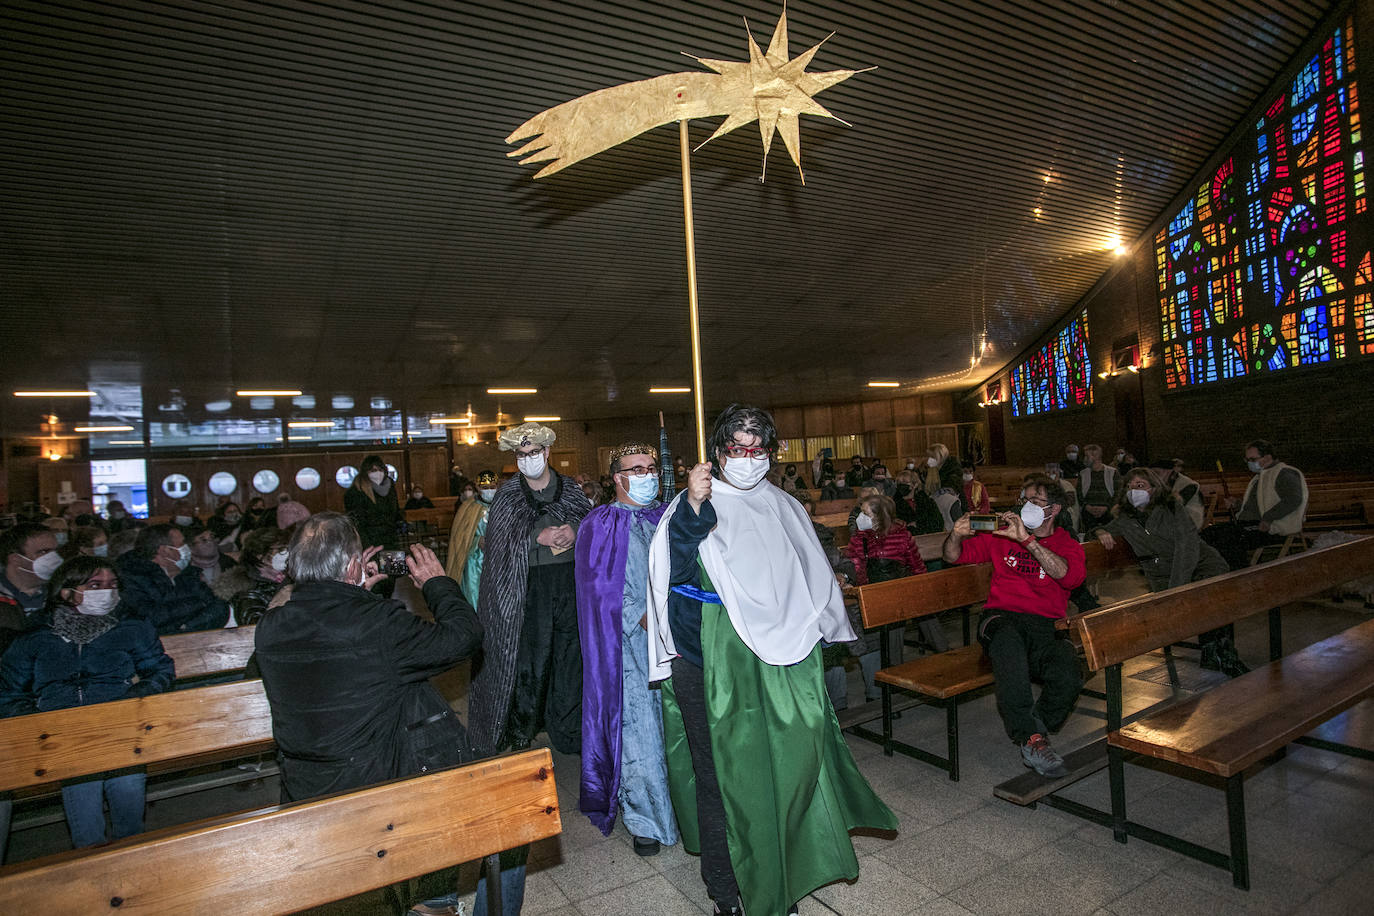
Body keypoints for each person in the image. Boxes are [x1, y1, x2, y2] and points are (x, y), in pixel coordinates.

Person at [647, 404, 896, 916]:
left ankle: (779, 872)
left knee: (788, 765)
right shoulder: (691, 505)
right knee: (723, 776)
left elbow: (807, 573)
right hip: (710, 663)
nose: (747, 458)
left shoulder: (783, 504)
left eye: (757, 449)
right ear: (718, 453)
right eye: (736, 448)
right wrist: (694, 510)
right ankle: (726, 890)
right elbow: (673, 570)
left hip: (781, 661)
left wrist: (822, 629)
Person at [251, 514, 515, 916]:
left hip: (304, 790)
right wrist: (435, 583)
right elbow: (465, 636)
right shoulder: (377, 624)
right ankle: (433, 903)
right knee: (499, 802)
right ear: (355, 565)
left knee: (407, 695)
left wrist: (355, 593)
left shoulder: (271, 628)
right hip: (378, 796)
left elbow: (328, 632)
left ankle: (430, 898)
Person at [0, 556, 174, 848]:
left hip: (121, 727)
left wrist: (135, 699)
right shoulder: (37, 636)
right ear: (66, 591)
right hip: (65, 734)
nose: (106, 591)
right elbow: (9, 689)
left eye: (112, 584)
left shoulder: (130, 627)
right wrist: (36, 721)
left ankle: (132, 860)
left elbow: (160, 669)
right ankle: (91, 872)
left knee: (128, 797)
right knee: (84, 807)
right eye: (95, 585)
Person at [942, 475, 1086, 778]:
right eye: (1024, 499)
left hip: (1045, 625)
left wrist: (1027, 541)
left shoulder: (1067, 545)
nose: (1026, 505)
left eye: (1036, 500)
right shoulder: (999, 535)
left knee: (1069, 669)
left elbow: (1069, 577)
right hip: (1000, 617)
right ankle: (1031, 738)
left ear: (1055, 509)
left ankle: (1037, 727)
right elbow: (953, 556)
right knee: (1008, 645)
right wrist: (955, 534)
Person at [574, 442, 679, 856]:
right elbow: (597, 587)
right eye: (637, 469)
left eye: (651, 468)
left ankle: (684, 807)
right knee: (639, 732)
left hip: (675, 636)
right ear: (617, 478)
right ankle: (645, 820)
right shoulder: (599, 523)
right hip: (630, 645)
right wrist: (642, 616)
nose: (647, 475)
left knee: (675, 727)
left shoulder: (665, 515)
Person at [468, 423, 590, 756]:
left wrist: (576, 530)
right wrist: (537, 537)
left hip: (570, 585)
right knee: (529, 659)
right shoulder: (508, 495)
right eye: (521, 455)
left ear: (547, 453)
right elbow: (498, 540)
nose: (527, 460)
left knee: (570, 657)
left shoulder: (571, 489)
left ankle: (568, 728)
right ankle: (523, 727)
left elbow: (591, 522)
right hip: (528, 588)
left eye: (533, 453)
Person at [1092, 469, 1245, 675]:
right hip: (1162, 574)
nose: (1133, 491)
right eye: (1129, 487)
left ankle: (1224, 655)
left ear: (1154, 489)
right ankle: (1213, 651)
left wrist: (1177, 588)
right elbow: (1105, 528)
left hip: (1200, 564)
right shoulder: (1125, 518)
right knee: (1196, 604)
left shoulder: (1172, 507)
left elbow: (1187, 545)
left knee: (1210, 594)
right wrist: (1100, 532)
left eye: (1140, 486)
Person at [846, 493, 942, 679]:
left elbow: (916, 565)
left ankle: (945, 656)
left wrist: (923, 589)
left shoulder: (901, 536)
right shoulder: (860, 539)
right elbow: (856, 568)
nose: (861, 517)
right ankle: (896, 671)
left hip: (901, 589)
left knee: (925, 610)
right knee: (892, 621)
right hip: (875, 594)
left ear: (880, 516)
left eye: (866, 513)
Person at [1204, 440, 1309, 570]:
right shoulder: (1260, 476)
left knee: (1229, 539)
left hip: (1272, 527)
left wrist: (1268, 518)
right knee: (1208, 533)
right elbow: (1258, 504)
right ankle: (1226, 572)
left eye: (1252, 459)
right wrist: (1237, 504)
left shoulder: (1284, 473)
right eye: (1247, 459)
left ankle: (1239, 575)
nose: (1249, 463)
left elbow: (1293, 499)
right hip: (1251, 523)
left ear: (1268, 457)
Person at [116, 524, 230, 634]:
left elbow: (218, 606)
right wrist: (198, 603)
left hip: (192, 637)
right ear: (164, 550)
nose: (187, 548)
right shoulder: (132, 575)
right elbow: (153, 617)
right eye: (182, 544)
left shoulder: (186, 572)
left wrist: (186, 626)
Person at [344, 455, 403, 597]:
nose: (377, 473)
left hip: (390, 541)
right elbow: (357, 523)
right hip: (370, 544)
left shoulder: (389, 487)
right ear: (365, 472)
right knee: (375, 583)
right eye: (372, 470)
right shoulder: (355, 492)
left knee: (391, 581)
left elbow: (395, 512)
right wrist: (367, 547)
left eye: (379, 469)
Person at [211, 527, 290, 626]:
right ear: (259, 555)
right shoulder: (246, 588)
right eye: (281, 549)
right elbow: (257, 627)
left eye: (289, 548)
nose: (287, 553)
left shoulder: (290, 577)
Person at [446, 470, 498, 609]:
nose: (489, 491)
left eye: (492, 487)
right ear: (477, 487)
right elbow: (460, 537)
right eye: (485, 488)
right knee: (475, 599)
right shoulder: (468, 507)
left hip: (498, 561)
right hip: (474, 562)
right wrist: (476, 541)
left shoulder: (503, 506)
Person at [0, 523, 61, 619]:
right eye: (43, 552)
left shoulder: (62, 594)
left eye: (56, 551)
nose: (54, 558)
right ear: (15, 559)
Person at [1077, 444, 1119, 534]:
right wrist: (1087, 506)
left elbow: (1118, 494)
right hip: (1089, 509)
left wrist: (1107, 507)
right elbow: (1079, 494)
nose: (1084, 459)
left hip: (1108, 508)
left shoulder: (1112, 472)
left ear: (1095, 456)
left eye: (1087, 456)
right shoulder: (1083, 473)